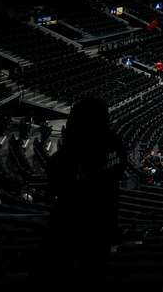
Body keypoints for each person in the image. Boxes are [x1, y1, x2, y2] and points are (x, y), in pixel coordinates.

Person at [42, 98, 125, 289]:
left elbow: (54, 185)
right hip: (105, 221)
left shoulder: (69, 154)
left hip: (71, 227)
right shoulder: (115, 143)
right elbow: (119, 171)